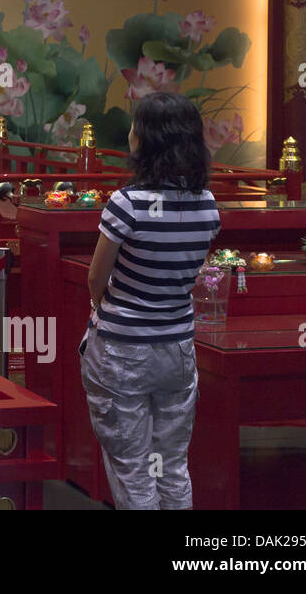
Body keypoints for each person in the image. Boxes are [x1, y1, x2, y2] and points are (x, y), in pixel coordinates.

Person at [80, 92, 221, 509]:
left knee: (133, 467)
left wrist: (109, 306)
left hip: (124, 349)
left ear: (144, 140)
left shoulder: (126, 204)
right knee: (172, 464)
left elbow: (95, 278)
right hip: (177, 348)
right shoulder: (207, 206)